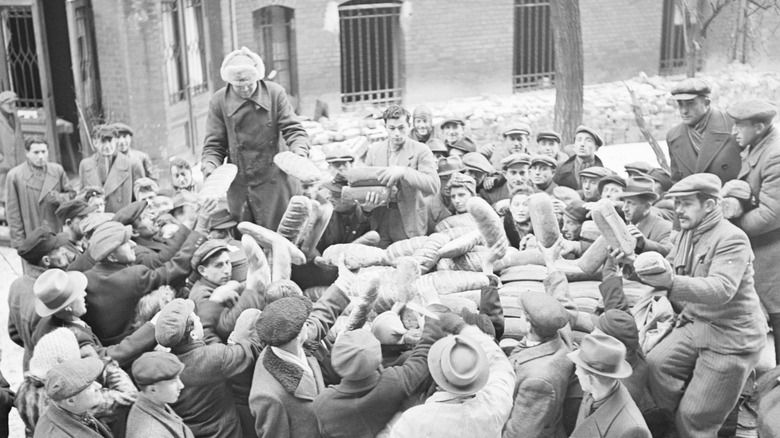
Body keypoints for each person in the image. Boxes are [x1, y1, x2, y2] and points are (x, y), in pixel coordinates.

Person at [635, 174, 766, 437]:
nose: (678, 210)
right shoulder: (688, 231)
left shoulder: (732, 238)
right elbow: (668, 268)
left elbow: (721, 289)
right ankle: (674, 427)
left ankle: (691, 426)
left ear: (709, 205)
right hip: (696, 321)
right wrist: (633, 259)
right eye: (676, 203)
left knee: (695, 419)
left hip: (731, 336)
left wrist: (671, 281)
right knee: (655, 365)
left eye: (686, 203)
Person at [202, 46, 311, 230]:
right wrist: (210, 168)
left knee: (284, 238)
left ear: (258, 77)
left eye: (249, 83)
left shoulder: (275, 93)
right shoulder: (219, 101)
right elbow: (214, 145)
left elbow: (294, 129)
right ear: (230, 82)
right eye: (238, 85)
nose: (245, 89)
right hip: (242, 186)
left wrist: (299, 154)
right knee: (249, 241)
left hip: (275, 182)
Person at [249, 276, 352, 438]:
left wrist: (344, 283)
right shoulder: (266, 396)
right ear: (298, 333)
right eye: (306, 320)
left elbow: (321, 317)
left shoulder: (293, 342)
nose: (309, 322)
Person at [82, 214, 206, 346]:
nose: (133, 244)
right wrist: (199, 230)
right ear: (112, 257)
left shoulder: (86, 279)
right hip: (140, 347)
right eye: (125, 243)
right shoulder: (132, 277)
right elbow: (176, 270)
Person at [313, 317, 446, 438]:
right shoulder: (395, 382)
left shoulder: (323, 404)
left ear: (335, 363)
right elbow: (423, 355)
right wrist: (434, 313)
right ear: (380, 358)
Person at [383, 319, 514, 437]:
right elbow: (500, 363)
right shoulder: (496, 403)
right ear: (478, 373)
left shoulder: (416, 420)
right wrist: (465, 327)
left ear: (438, 377)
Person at [722, 100, 780, 364]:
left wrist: (733, 227)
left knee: (777, 311)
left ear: (758, 127)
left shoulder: (775, 155)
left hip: (771, 251)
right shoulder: (758, 147)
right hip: (763, 249)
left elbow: (771, 214)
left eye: (739, 125)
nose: (734, 131)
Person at [157, 299, 259, 438]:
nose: (200, 319)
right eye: (196, 318)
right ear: (192, 334)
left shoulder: (165, 366)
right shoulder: (214, 357)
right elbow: (251, 350)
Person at [31, 268, 157, 370]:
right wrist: (152, 327)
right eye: (78, 294)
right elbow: (106, 357)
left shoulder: (45, 324)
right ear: (68, 307)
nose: (85, 294)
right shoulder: (73, 336)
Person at [362, 105, 439, 247]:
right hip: (380, 220)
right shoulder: (374, 151)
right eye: (392, 128)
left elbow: (433, 185)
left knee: (409, 262)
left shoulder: (421, 150)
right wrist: (367, 207)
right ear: (385, 127)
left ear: (409, 126)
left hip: (408, 220)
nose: (397, 133)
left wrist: (404, 171)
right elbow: (366, 186)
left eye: (401, 127)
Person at [504, 291, 572, 438]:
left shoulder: (537, 381)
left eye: (522, 314)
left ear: (528, 326)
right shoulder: (558, 336)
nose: (519, 317)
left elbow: (520, 433)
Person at [8, 227, 73, 371]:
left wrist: (30, 347)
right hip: (50, 374)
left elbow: (13, 333)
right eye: (58, 248)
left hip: (30, 365)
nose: (64, 251)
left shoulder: (17, 285)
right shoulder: (51, 299)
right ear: (46, 260)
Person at [567, 333, 651, 437]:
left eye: (578, 369)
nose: (576, 373)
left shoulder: (633, 429)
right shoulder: (593, 393)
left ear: (591, 378)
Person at [666, 78, 741, 184]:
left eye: (690, 104)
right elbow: (677, 182)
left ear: (707, 103)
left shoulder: (733, 127)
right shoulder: (673, 136)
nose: (684, 111)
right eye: (680, 104)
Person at [6, 136, 74, 248]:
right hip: (31, 236)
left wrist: (60, 198)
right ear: (27, 153)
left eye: (43, 151)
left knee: (57, 264)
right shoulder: (15, 176)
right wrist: (19, 243)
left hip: (55, 233)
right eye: (36, 152)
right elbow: (13, 213)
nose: (41, 156)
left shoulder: (57, 170)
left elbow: (72, 196)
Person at [189, 240, 262, 344]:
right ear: (202, 271)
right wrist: (252, 292)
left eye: (227, 263)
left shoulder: (218, 284)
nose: (227, 270)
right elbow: (227, 326)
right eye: (219, 265)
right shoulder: (202, 295)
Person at [33, 357, 113, 438]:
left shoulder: (74, 411)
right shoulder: (56, 434)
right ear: (71, 400)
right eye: (89, 386)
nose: (99, 386)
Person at [127, 351, 194, 438]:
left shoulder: (152, 401)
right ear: (153, 390)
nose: (181, 386)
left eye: (178, 378)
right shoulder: (150, 434)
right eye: (173, 382)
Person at [79, 124, 143, 213]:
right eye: (103, 142)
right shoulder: (85, 165)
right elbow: (81, 197)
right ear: (95, 142)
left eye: (110, 141)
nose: (107, 146)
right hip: (96, 219)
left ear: (116, 140)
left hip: (121, 219)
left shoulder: (131, 163)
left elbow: (140, 197)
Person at [113, 200, 192, 270]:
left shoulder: (156, 237)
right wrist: (187, 223)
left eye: (150, 213)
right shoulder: (135, 251)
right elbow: (160, 263)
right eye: (145, 217)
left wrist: (177, 223)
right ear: (134, 232)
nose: (153, 217)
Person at [618, 177, 673, 256]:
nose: (624, 209)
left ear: (647, 207)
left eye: (630, 203)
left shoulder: (665, 227)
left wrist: (643, 243)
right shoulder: (623, 225)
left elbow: (669, 251)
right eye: (624, 202)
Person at [554, 126, 605, 190]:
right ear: (574, 145)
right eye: (579, 140)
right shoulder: (559, 169)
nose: (582, 144)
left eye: (588, 140)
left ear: (596, 147)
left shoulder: (604, 174)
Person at [0, 90, 25, 207]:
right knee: (3, 190)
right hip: (3, 163)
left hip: (17, 159)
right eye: (8, 104)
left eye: (13, 103)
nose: (11, 106)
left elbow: (19, 137)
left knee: (16, 188)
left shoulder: (14, 117)